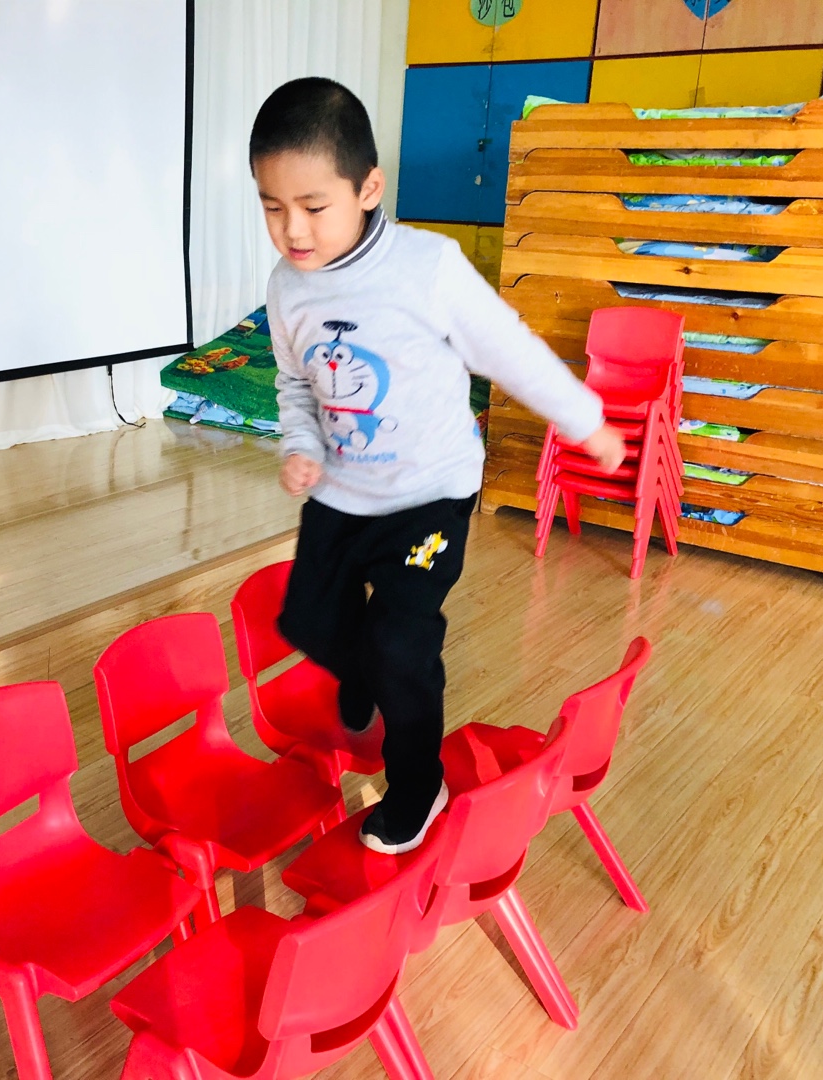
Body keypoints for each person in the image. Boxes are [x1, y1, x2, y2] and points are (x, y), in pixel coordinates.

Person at [251, 77, 625, 854]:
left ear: (368, 189)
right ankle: (365, 671)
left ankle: (418, 788)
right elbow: (295, 382)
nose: (292, 230)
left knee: (402, 646)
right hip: (342, 492)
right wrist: (301, 446)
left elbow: (510, 349)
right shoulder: (287, 287)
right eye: (272, 206)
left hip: (429, 497)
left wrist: (585, 420)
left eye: (313, 206)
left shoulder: (428, 268)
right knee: (306, 620)